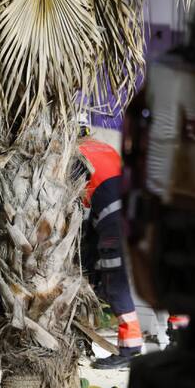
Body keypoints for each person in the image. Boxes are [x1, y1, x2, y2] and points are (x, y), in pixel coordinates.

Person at [75, 112, 143, 369]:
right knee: (109, 280)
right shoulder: (102, 147)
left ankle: (129, 347)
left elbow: (74, 205)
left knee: (114, 283)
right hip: (129, 217)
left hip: (113, 221)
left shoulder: (76, 155)